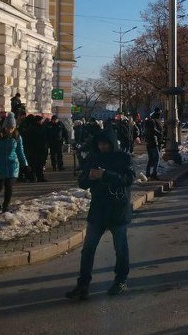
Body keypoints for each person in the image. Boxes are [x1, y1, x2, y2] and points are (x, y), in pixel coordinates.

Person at [66, 126, 135, 300]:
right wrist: (89, 176)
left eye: (106, 144)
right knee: (88, 249)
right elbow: (82, 183)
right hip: (98, 210)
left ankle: (121, 279)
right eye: (100, 144)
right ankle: (83, 285)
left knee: (120, 248)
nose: (103, 147)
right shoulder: (94, 157)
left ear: (112, 144)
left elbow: (128, 179)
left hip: (118, 210)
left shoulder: (123, 158)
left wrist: (106, 175)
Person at [0, 112, 28, 213]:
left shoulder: (17, 137)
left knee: (9, 187)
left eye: (12, 128)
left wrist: (25, 165)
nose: (10, 130)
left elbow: (20, 151)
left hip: (12, 165)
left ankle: (5, 206)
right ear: (4, 127)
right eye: (8, 127)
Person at [143, 108, 162, 180]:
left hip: (148, 143)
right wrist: (159, 133)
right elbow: (154, 130)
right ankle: (154, 173)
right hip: (153, 142)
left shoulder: (148, 122)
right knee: (156, 158)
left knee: (150, 159)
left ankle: (147, 173)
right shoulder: (153, 121)